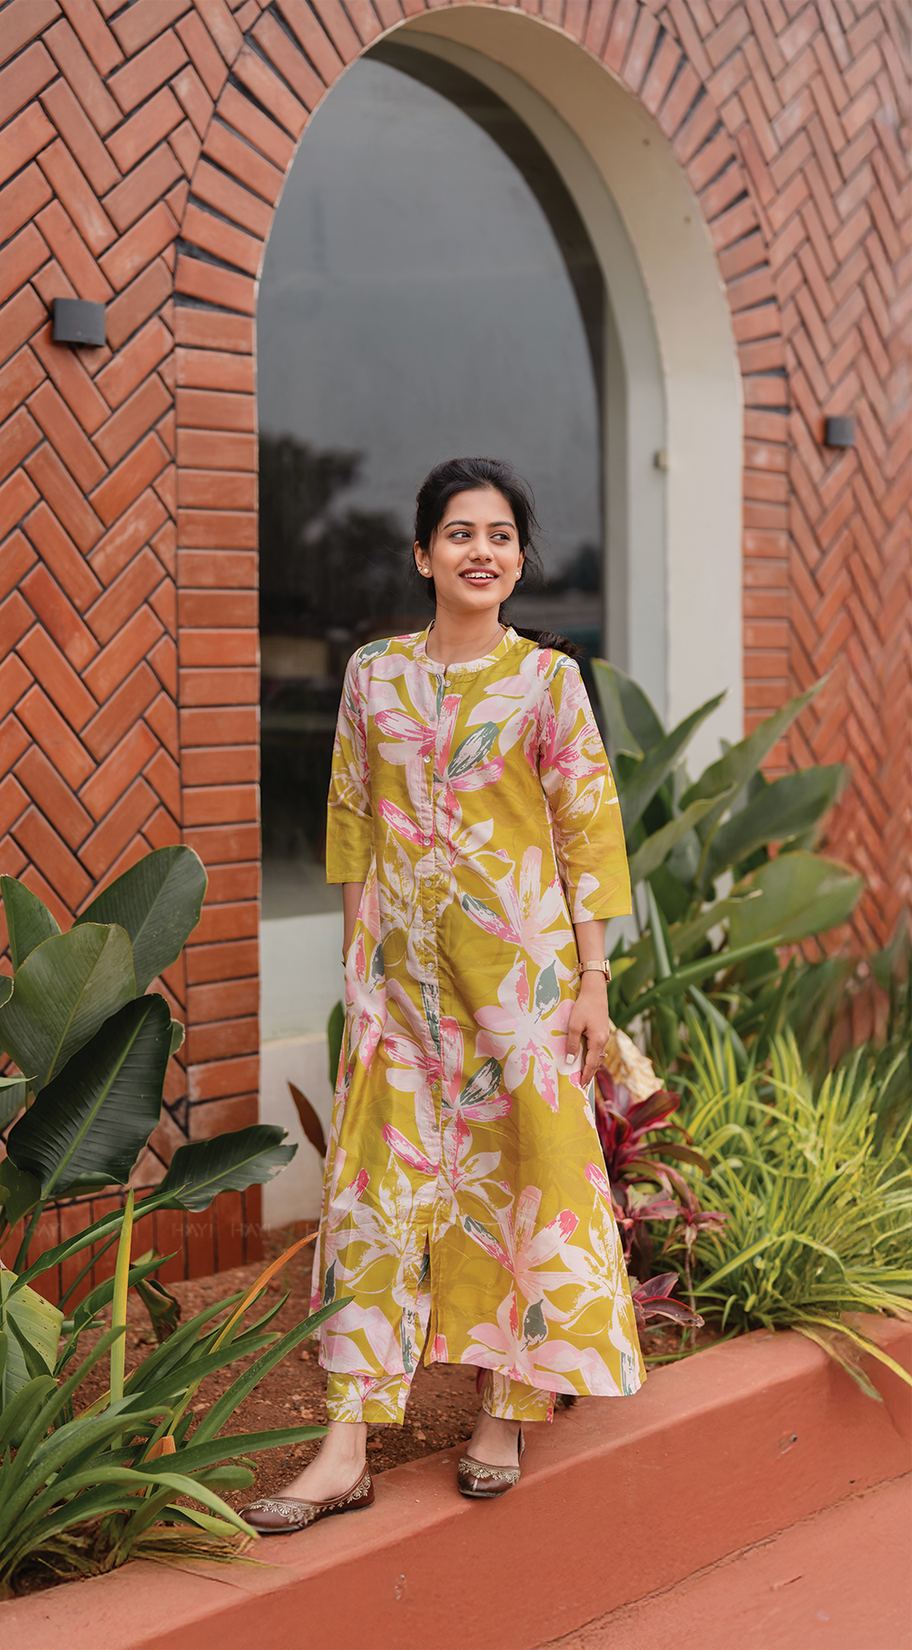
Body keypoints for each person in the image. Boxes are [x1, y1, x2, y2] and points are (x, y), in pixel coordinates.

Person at [243, 457, 644, 1534]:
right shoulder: (372, 675)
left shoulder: (547, 682)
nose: (481, 550)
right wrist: (359, 977)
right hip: (401, 1001)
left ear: (520, 558)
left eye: (500, 534)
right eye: (459, 533)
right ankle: (342, 1445)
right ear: (422, 555)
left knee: (515, 1194)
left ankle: (502, 1415)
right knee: (373, 1204)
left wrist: (592, 983)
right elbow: (349, 827)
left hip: (519, 990)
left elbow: (586, 834)